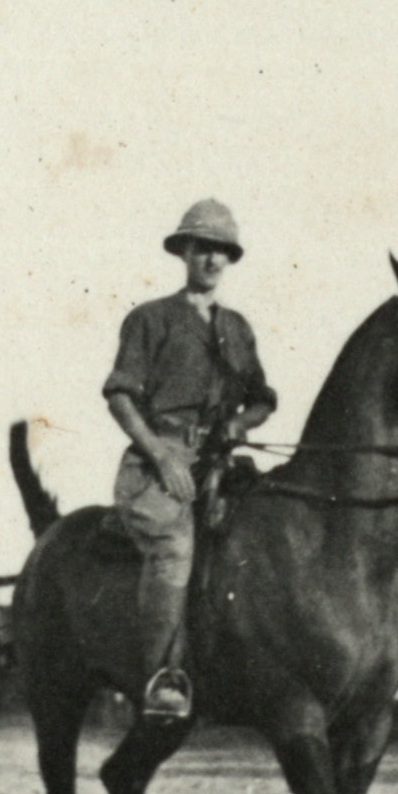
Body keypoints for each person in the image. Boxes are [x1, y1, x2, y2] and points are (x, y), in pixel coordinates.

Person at [103, 199, 277, 719]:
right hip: (159, 462)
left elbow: (264, 399)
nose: (213, 260)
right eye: (203, 248)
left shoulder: (239, 328)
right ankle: (162, 679)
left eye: (223, 251)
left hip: (220, 460)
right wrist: (162, 455)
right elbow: (119, 397)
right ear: (186, 252)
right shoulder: (150, 319)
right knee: (176, 546)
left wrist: (238, 425)